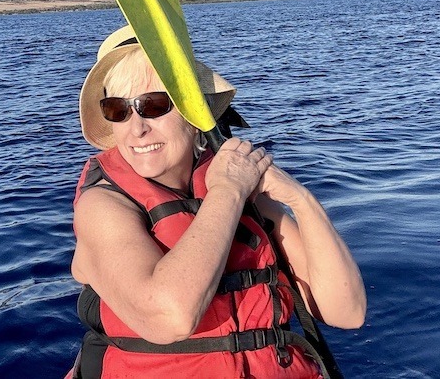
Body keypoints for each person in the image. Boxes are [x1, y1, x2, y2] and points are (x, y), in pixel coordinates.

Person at [68, 25, 365, 378]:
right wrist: (227, 192)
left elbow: (347, 312)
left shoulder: (241, 190)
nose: (137, 129)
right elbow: (168, 318)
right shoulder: (103, 207)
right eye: (118, 109)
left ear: (196, 115)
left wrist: (300, 199)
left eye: (154, 105)